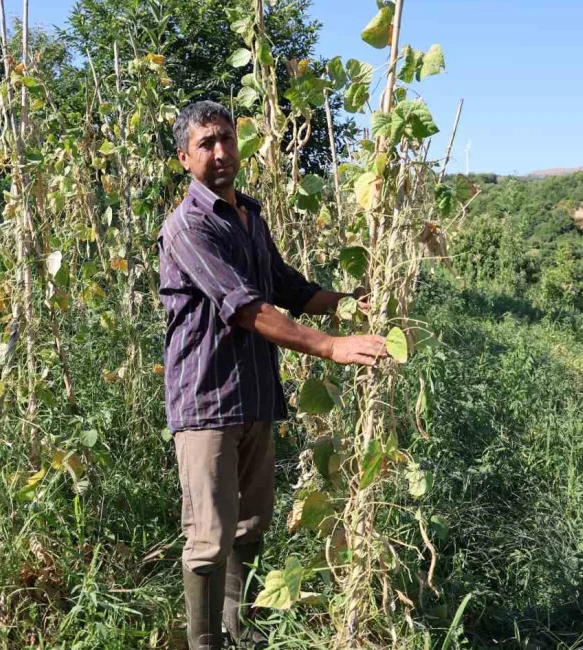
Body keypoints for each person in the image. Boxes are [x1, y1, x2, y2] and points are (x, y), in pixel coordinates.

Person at [158, 100, 386, 649]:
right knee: (208, 539)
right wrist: (331, 348)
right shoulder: (189, 225)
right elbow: (246, 308)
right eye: (206, 144)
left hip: (255, 394)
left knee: (250, 526)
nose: (220, 152)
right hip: (207, 400)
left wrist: (352, 304)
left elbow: (285, 286)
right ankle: (203, 643)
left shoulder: (250, 215)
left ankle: (235, 627)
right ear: (185, 158)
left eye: (227, 139)